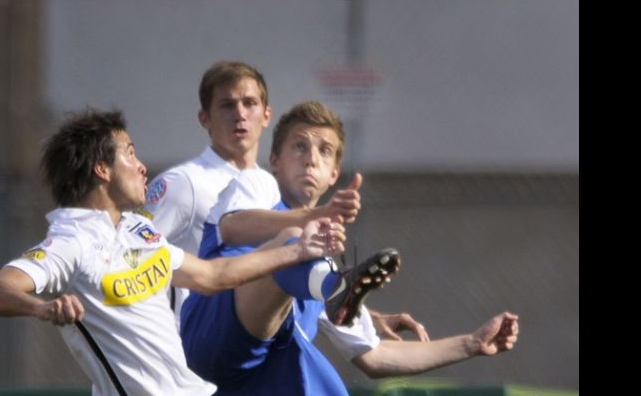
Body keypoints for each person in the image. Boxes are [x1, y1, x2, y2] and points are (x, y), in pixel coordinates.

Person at [0, 108, 348, 396]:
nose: (141, 166)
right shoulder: (71, 241)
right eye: (130, 153)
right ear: (102, 169)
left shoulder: (138, 231)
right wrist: (41, 308)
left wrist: (298, 251)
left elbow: (214, 276)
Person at [180, 101, 519, 394]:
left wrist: (472, 343)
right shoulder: (257, 185)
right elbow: (233, 227)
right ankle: (335, 288)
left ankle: (336, 291)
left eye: (324, 151)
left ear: (334, 174)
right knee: (295, 241)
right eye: (299, 146)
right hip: (208, 337)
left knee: (313, 353)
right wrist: (316, 218)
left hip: (251, 379)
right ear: (274, 159)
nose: (311, 159)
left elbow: (374, 357)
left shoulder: (319, 260)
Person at [143, 60, 428, 343]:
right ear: (205, 118)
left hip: (239, 349)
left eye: (249, 103)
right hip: (182, 347)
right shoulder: (183, 183)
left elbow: (273, 278)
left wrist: (367, 319)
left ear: (266, 115)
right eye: (227, 105)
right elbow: (133, 256)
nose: (240, 114)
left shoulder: (269, 190)